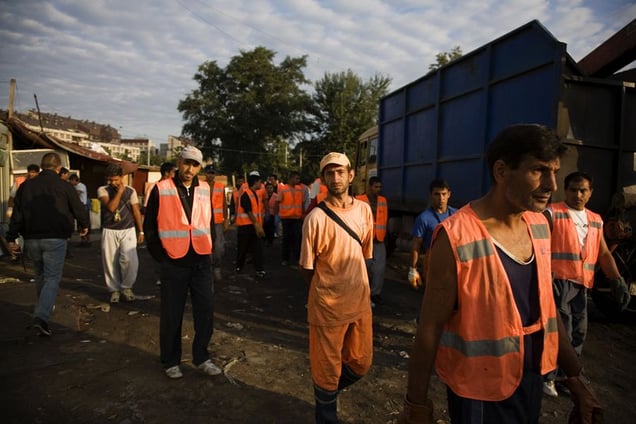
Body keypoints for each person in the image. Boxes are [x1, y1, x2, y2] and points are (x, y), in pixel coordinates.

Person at [398, 124, 603, 424]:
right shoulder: (455, 236)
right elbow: (429, 328)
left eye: (554, 172)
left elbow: (548, 310)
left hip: (529, 378)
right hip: (480, 393)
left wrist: (576, 379)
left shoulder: (540, 226)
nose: (551, 185)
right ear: (501, 171)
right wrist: (415, 404)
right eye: (538, 171)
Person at [300, 152, 374, 423]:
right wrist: (325, 292)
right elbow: (307, 269)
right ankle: (326, 403)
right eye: (330, 173)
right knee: (326, 371)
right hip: (327, 310)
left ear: (351, 175)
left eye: (340, 171)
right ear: (323, 179)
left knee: (362, 363)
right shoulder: (315, 218)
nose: (336, 177)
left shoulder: (364, 210)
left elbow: (364, 254)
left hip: (360, 303)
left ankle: (325, 393)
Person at [543, 171, 629, 397]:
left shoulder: (595, 220)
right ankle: (548, 376)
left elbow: (603, 253)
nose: (577, 194)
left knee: (579, 332)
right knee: (563, 331)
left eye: (583, 190)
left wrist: (616, 279)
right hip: (559, 282)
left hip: (582, 284)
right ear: (565, 190)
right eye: (573, 189)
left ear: (590, 193)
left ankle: (567, 377)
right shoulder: (553, 213)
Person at [143, 145, 222, 379]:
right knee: (171, 314)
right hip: (173, 261)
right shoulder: (161, 189)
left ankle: (202, 357)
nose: (189, 169)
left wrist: (210, 250)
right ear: (179, 162)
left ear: (200, 168)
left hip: (200, 260)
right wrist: (161, 257)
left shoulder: (205, 189)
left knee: (206, 311)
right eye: (186, 163)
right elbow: (150, 227)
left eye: (195, 165)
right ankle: (170, 360)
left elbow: (208, 221)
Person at [6, 153, 89, 336]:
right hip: (55, 239)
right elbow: (78, 208)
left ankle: (42, 309)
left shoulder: (26, 186)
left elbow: (17, 214)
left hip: (31, 239)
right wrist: (85, 226)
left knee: (40, 275)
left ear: (42, 166)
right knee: (52, 278)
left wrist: (11, 237)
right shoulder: (64, 186)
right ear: (58, 168)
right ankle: (41, 318)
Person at [98, 164, 144, 303]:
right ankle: (114, 290)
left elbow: (136, 211)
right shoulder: (102, 190)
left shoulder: (131, 191)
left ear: (122, 178)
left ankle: (127, 287)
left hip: (128, 229)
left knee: (129, 260)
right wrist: (119, 192)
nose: (112, 183)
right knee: (110, 261)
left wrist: (140, 231)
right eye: (110, 180)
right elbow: (111, 208)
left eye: (116, 180)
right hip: (109, 230)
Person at [408, 179, 456, 289]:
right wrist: (413, 269)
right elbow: (416, 245)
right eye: (437, 194)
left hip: (453, 261)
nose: (441, 198)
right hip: (433, 263)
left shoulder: (456, 215)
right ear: (430, 195)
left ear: (449, 194)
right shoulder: (424, 218)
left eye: (444, 194)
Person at [356, 176, 388, 307]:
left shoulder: (383, 201)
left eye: (380, 187)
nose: (378, 190)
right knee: (364, 267)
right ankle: (362, 292)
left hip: (379, 239)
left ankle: (375, 293)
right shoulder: (359, 200)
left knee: (379, 268)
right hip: (365, 239)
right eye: (376, 187)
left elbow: (384, 218)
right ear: (369, 186)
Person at [235, 172, 266, 278]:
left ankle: (259, 269)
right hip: (245, 226)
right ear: (255, 182)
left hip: (253, 226)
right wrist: (257, 224)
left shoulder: (255, 194)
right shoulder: (246, 194)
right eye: (260, 182)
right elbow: (249, 211)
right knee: (243, 248)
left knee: (257, 248)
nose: (261, 185)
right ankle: (239, 266)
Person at [204, 165, 228, 281]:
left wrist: (226, 219)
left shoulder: (220, 186)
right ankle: (207, 270)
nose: (210, 175)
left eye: (212, 173)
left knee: (218, 247)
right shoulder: (200, 186)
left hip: (217, 221)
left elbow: (224, 204)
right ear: (205, 174)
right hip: (203, 221)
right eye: (209, 173)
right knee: (206, 247)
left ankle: (217, 268)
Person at [277, 171, 304, 266]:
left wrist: (302, 214)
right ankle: (285, 258)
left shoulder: (299, 189)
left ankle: (297, 258)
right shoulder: (283, 189)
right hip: (286, 218)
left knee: (297, 239)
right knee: (286, 239)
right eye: (296, 178)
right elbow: (278, 202)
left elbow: (302, 203)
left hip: (297, 218)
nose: (298, 180)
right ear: (291, 178)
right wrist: (278, 215)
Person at [69, 173, 91, 246]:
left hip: (83, 207)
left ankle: (86, 241)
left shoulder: (81, 186)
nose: (70, 183)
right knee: (80, 225)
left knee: (84, 224)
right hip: (79, 207)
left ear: (74, 180)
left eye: (71, 181)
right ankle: (83, 241)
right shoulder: (75, 186)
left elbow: (76, 194)